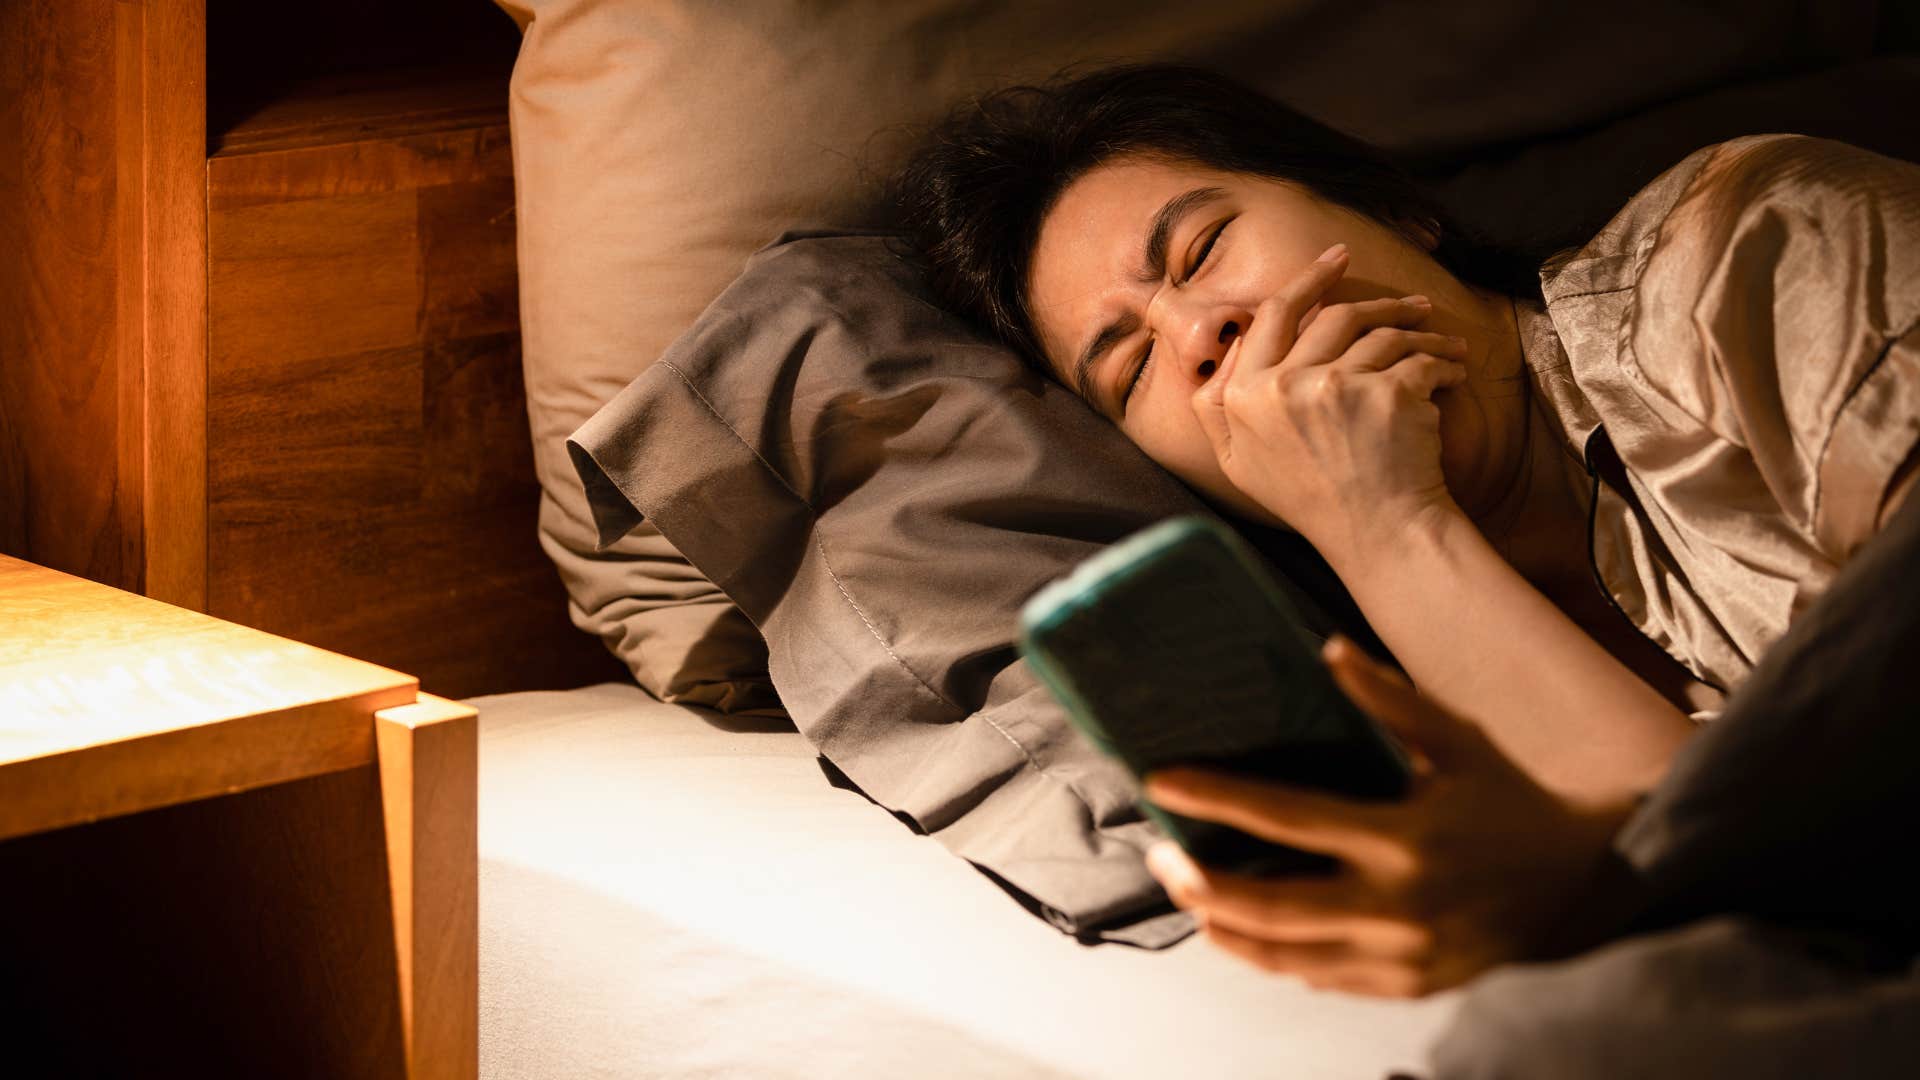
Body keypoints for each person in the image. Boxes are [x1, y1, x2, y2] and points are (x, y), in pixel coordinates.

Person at [887, 61, 1920, 1043]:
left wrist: (1385, 517)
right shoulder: (1365, 689)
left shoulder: (1756, 240)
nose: (1203, 331)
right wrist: (1372, 520)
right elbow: (1710, 934)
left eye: (1201, 250)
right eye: (1132, 366)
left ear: (1391, 209)